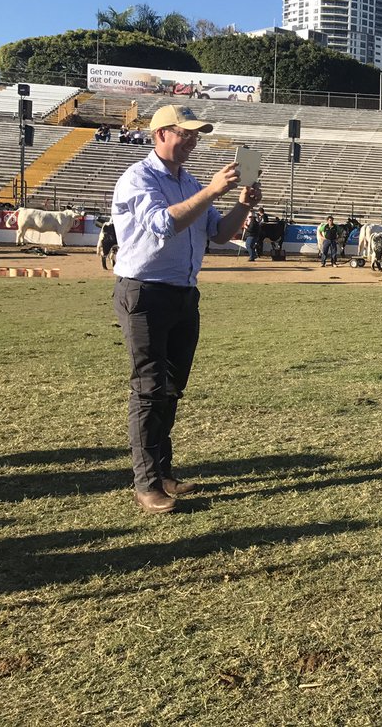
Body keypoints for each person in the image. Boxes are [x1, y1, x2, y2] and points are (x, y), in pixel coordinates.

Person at [111, 104, 260, 514]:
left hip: (182, 293)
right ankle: (146, 484)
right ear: (161, 134)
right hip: (144, 292)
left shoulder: (189, 180)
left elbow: (219, 234)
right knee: (150, 387)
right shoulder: (138, 179)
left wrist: (243, 205)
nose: (193, 140)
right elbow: (161, 224)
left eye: (197, 135)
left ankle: (162, 471)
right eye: (186, 133)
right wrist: (212, 191)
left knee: (171, 388)